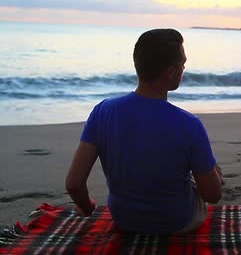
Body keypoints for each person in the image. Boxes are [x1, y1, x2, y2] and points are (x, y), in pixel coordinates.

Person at [65, 28, 222, 234]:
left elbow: (74, 184)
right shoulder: (189, 124)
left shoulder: (103, 111)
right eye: (182, 64)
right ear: (171, 72)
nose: (184, 68)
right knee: (211, 173)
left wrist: (87, 207)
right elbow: (212, 195)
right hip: (176, 222)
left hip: (124, 220)